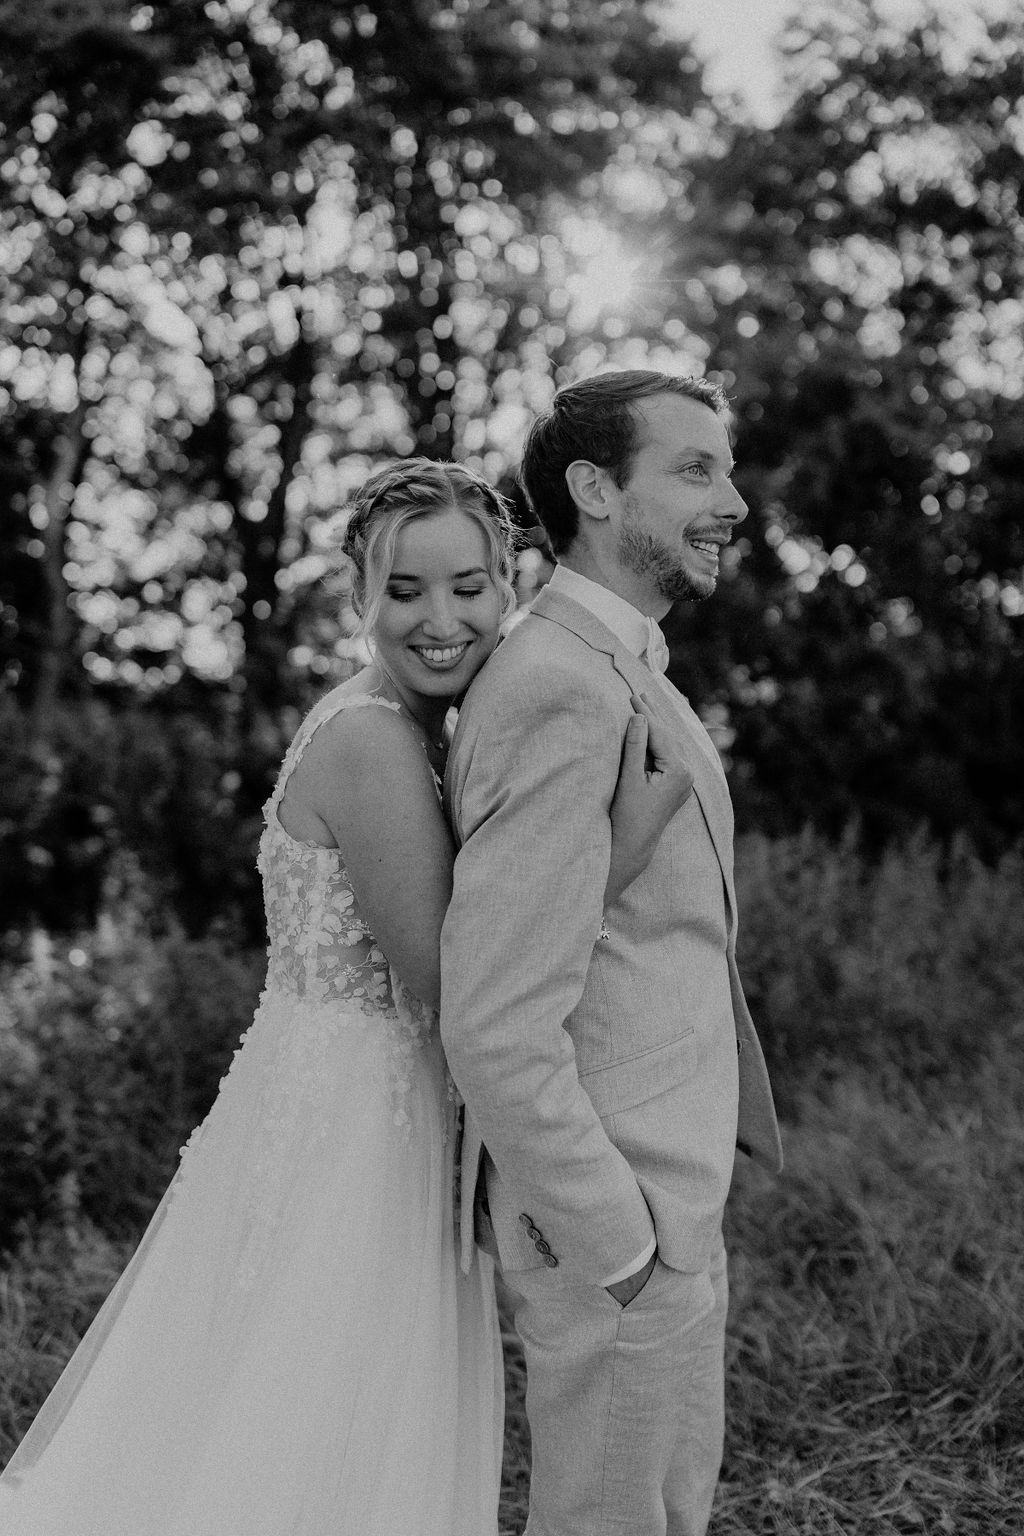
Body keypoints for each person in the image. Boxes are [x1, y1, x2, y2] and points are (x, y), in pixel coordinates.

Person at [0, 457, 691, 1536]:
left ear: (512, 584)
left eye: (468, 587)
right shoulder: (371, 739)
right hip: (360, 1123)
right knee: (325, 1401)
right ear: (358, 595)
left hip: (354, 1097)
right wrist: (622, 850)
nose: (439, 621)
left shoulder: (417, 725)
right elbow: (460, 980)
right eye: (404, 591)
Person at [440, 371, 785, 1536]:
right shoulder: (561, 688)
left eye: (725, 471)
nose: (731, 502)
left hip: (662, 1187)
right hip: (615, 1209)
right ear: (594, 490)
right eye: (694, 471)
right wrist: (617, 1242)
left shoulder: (616, 664)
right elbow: (494, 1017)